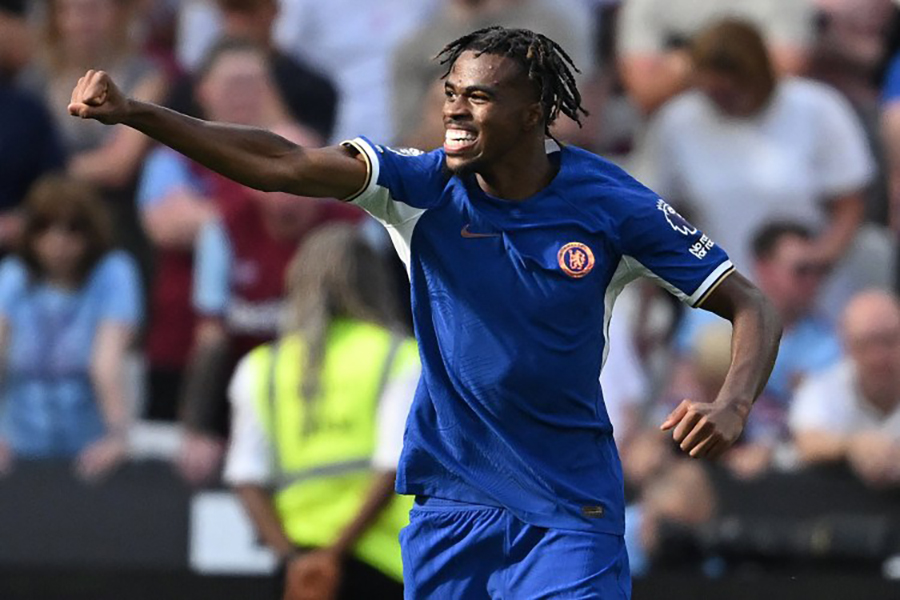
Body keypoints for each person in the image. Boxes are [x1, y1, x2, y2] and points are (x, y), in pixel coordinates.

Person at [67, 25, 781, 597]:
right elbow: (283, 163)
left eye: (479, 97)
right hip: (451, 507)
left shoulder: (613, 205)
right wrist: (139, 114)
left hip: (570, 507)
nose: (454, 110)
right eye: (451, 93)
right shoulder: (421, 186)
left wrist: (734, 403)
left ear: (533, 114)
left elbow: (749, 302)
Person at [634, 19, 884, 319]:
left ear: (758, 76)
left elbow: (850, 206)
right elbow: (652, 220)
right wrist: (646, 306)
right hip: (719, 303)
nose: (721, 101)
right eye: (711, 92)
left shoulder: (818, 108)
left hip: (813, 304)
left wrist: (816, 260)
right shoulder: (676, 122)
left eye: (730, 91)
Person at [224, 223, 418, 600]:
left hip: (299, 568)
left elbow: (245, 475)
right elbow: (395, 465)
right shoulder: (400, 357)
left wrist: (295, 561)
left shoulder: (261, 367)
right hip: (384, 562)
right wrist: (332, 555)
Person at [664, 221, 842, 477]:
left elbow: (809, 421)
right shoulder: (708, 315)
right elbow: (678, 392)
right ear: (763, 268)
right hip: (690, 447)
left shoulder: (828, 343)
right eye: (801, 270)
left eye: (819, 271)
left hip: (772, 463)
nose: (812, 280)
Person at [0, 175, 142, 479]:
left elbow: (105, 364)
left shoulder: (114, 273)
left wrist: (117, 438)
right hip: (19, 447)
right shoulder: (14, 275)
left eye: (72, 229)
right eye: (45, 228)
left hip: (89, 452)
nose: (58, 241)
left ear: (91, 232)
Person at [790, 290, 900, 488]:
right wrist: (852, 446)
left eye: (888, 341)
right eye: (865, 344)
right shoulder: (825, 386)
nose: (878, 356)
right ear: (846, 346)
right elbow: (806, 442)